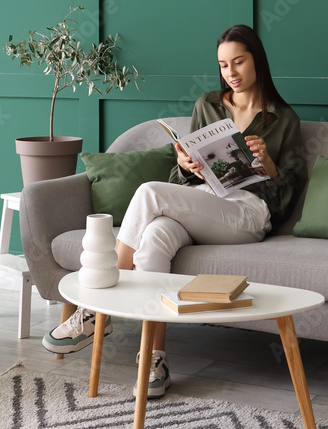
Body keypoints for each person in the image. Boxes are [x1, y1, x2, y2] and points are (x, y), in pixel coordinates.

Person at [42, 24, 305, 399]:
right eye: (224, 65)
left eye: (239, 62)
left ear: (257, 61)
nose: (231, 72)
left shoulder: (284, 119)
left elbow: (286, 197)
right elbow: (184, 180)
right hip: (203, 201)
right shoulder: (208, 105)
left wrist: (270, 165)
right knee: (154, 238)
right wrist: (187, 164)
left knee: (150, 192)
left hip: (248, 213)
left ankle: (96, 310)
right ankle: (154, 360)